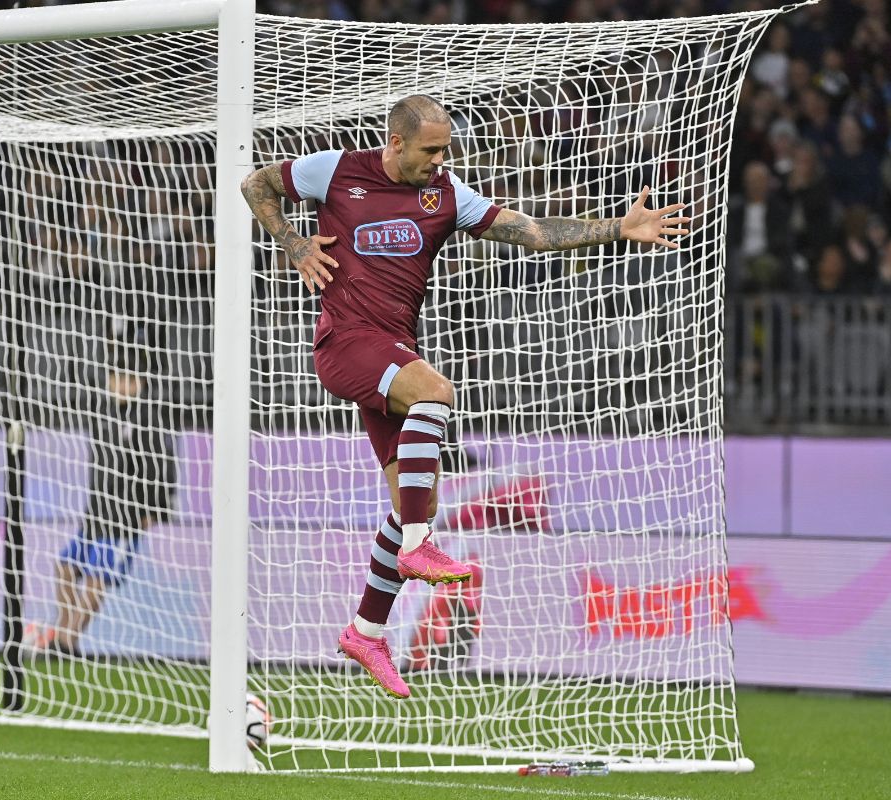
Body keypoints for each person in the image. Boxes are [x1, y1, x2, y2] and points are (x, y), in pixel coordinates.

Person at [240, 94, 688, 698]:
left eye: (445, 149)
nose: (440, 160)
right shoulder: (336, 170)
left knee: (410, 502)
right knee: (436, 391)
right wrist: (293, 243)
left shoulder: (447, 195)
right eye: (430, 150)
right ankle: (421, 550)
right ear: (395, 144)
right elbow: (256, 184)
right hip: (345, 343)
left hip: (390, 350)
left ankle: (367, 629)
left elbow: (530, 233)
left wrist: (617, 229)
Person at [24, 322, 176, 656]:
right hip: (95, 513)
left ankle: (67, 642)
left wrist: (157, 509)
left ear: (140, 383)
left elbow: (164, 465)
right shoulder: (103, 414)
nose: (120, 386)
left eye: (127, 380)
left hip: (126, 518)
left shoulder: (149, 419)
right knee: (65, 567)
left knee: (97, 578)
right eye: (115, 379)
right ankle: (63, 630)